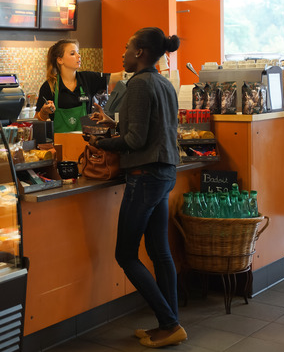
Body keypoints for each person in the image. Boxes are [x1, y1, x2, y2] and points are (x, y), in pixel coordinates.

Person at [88, 27, 185, 348]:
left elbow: (135, 141)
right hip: (165, 171)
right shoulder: (162, 82)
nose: (123, 54)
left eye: (127, 48)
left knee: (126, 254)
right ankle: (169, 323)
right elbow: (152, 128)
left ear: (140, 52)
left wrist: (100, 141)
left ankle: (170, 323)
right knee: (159, 252)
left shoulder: (139, 85)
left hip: (145, 176)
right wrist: (114, 124)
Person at [34, 39, 106, 132]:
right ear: (60, 60)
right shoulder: (49, 86)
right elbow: (37, 121)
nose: (79, 56)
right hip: (59, 144)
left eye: (78, 53)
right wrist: (44, 112)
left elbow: (115, 78)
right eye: (73, 53)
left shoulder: (88, 78)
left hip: (84, 142)